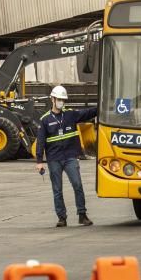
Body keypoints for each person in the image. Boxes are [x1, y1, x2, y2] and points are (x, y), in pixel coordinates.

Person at [35, 85, 97, 227]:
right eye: (59, 99)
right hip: (54, 159)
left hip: (70, 157)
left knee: (77, 185)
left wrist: (102, 106)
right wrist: (39, 161)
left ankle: (82, 215)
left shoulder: (70, 115)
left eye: (63, 100)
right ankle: (62, 217)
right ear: (52, 99)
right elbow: (40, 142)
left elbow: (88, 113)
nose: (61, 102)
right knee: (57, 190)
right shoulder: (45, 120)